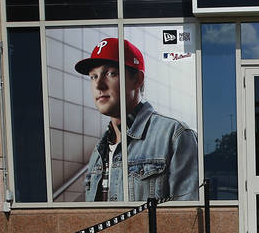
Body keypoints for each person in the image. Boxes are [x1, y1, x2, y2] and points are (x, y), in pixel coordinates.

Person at [75, 37, 199, 202]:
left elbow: (186, 219)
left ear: (137, 79)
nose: (98, 85)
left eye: (110, 73)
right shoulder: (99, 151)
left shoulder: (174, 136)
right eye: (93, 76)